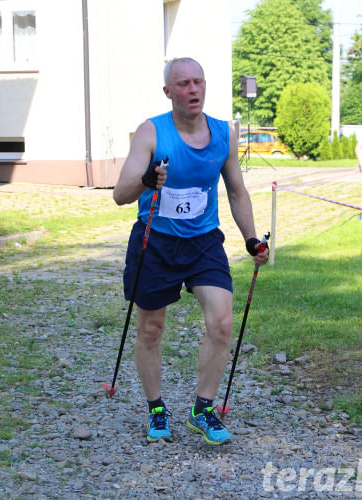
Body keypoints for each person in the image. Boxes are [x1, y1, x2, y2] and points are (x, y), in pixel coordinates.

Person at [112, 57, 269, 446]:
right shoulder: (151, 132)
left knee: (221, 322)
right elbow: (120, 194)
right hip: (156, 241)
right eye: (183, 83)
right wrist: (147, 181)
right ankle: (157, 409)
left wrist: (251, 239)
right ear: (168, 92)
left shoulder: (223, 134)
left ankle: (203, 409)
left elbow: (236, 191)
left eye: (198, 81)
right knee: (151, 327)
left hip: (203, 243)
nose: (193, 89)